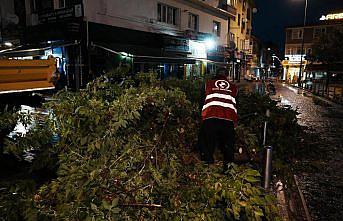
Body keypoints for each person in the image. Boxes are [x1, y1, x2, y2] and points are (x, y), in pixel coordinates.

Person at [199, 68, 238, 172]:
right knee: (228, 147)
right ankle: (228, 171)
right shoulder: (234, 87)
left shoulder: (208, 84)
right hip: (228, 120)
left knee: (207, 144)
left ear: (215, 75)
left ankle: (208, 168)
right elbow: (236, 105)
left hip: (210, 118)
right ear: (227, 76)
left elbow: (202, 102)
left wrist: (202, 118)